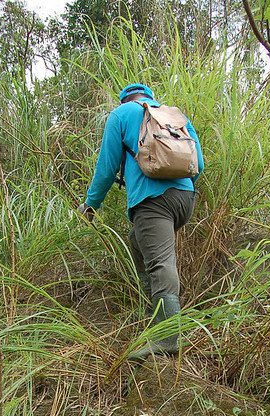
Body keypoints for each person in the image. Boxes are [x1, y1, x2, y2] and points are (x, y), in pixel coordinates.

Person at [78, 82, 204, 362]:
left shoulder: (121, 115)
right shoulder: (172, 115)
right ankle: (154, 314)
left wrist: (91, 204)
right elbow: (200, 163)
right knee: (138, 241)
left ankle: (168, 337)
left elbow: (107, 167)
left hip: (151, 202)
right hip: (185, 199)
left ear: (124, 99)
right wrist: (179, 187)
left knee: (160, 263)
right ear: (148, 97)